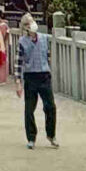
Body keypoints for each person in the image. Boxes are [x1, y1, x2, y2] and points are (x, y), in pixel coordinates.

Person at [14, 16, 57, 148]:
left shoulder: (44, 38)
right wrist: (18, 82)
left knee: (50, 107)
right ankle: (31, 137)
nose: (31, 25)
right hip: (30, 76)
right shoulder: (22, 41)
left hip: (44, 75)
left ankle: (51, 134)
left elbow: (47, 56)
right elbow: (18, 62)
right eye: (27, 23)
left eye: (31, 22)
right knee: (29, 109)